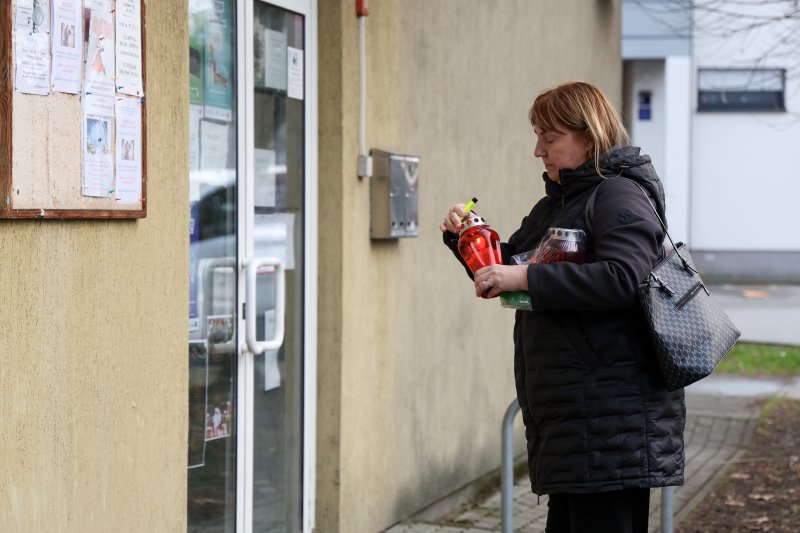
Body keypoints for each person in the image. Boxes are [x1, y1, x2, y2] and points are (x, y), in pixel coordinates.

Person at [440, 81, 685, 533]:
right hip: (575, 422)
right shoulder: (560, 204)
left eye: (549, 138)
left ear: (588, 137)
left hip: (612, 426)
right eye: (537, 137)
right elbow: (505, 272)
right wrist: (466, 238)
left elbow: (620, 278)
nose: (538, 150)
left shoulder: (618, 195)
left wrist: (526, 276)